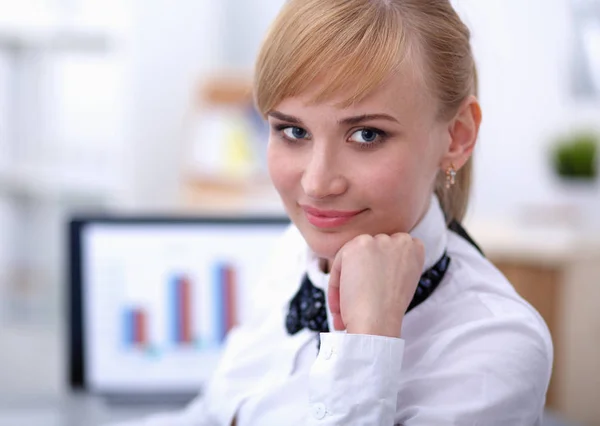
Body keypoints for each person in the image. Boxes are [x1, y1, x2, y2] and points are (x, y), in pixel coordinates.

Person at [113, 0, 553, 424]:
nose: (317, 183)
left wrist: (368, 343)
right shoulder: (292, 253)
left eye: (366, 135)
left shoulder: (498, 345)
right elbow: (211, 415)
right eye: (293, 130)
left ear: (456, 137)